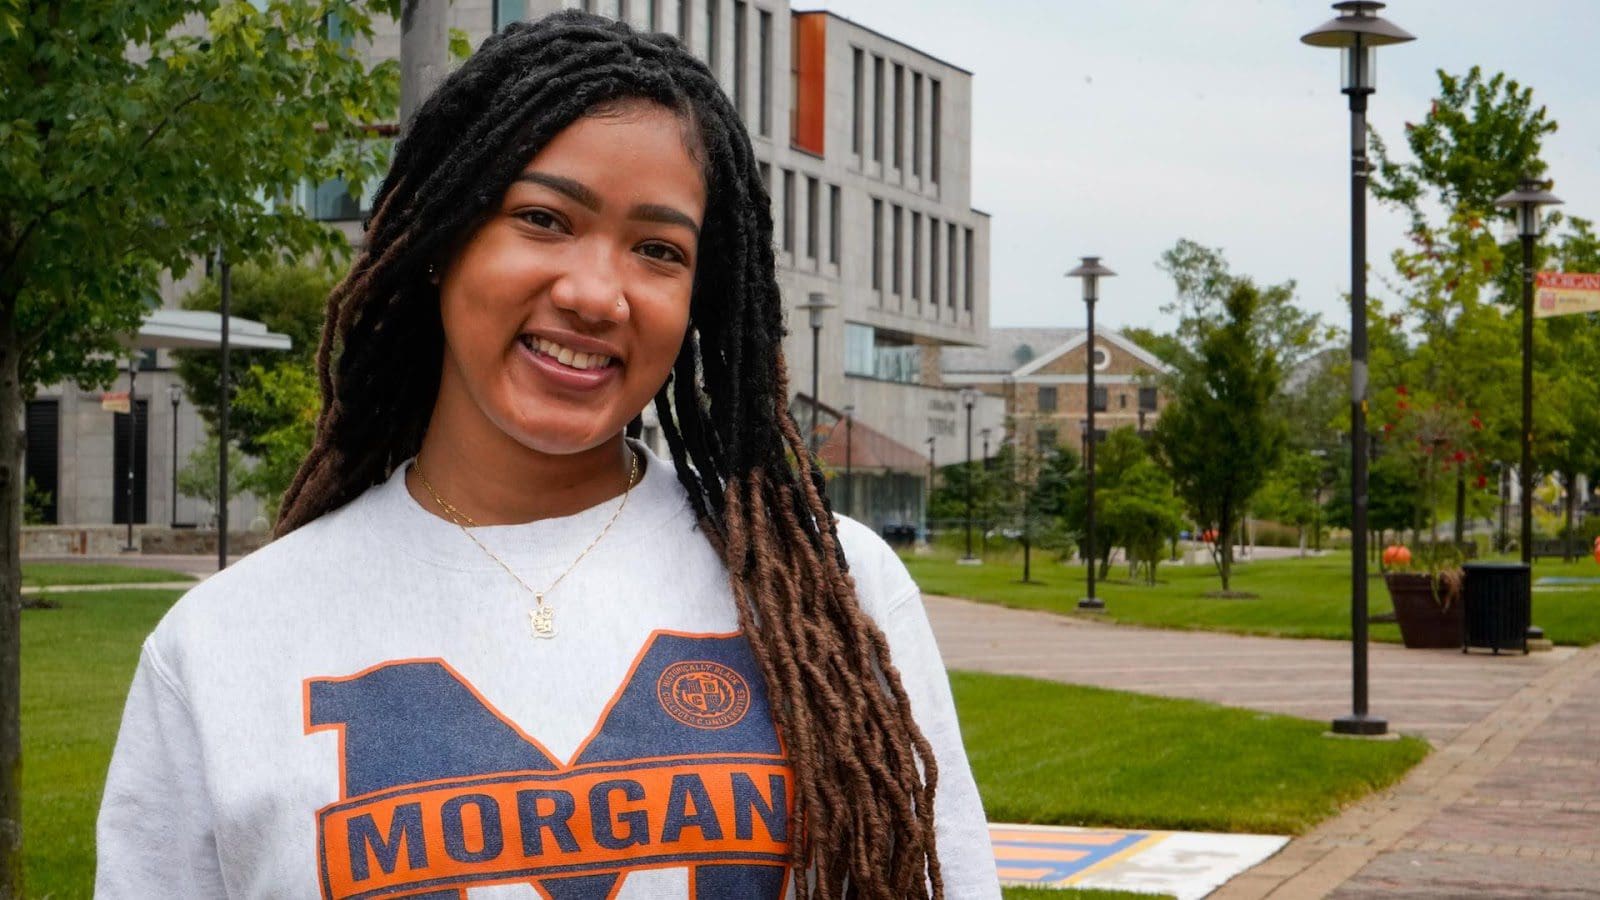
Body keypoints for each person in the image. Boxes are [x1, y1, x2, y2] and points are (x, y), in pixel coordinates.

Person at [96, 10, 999, 899]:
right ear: (442, 237)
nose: (597, 295)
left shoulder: (834, 593)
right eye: (543, 218)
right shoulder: (221, 645)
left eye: (658, 249)